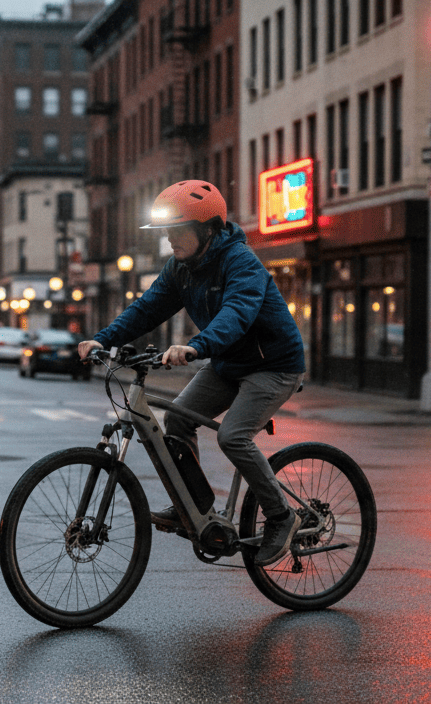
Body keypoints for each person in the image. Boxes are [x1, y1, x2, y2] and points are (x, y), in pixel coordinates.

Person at [77, 180, 307, 566]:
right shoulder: (181, 269)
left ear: (207, 230)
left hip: (273, 366)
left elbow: (237, 313)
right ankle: (196, 510)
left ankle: (283, 517)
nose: (169, 240)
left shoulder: (240, 262)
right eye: (165, 232)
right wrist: (104, 339)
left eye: (176, 231)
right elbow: (146, 309)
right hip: (228, 364)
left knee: (234, 436)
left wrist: (197, 345)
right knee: (178, 421)